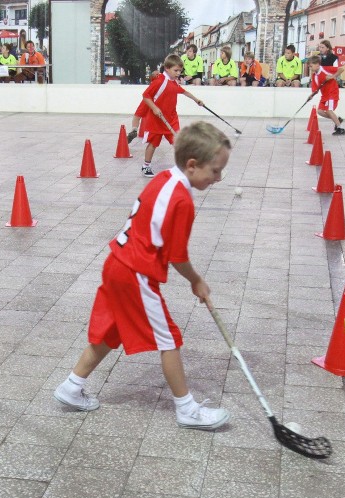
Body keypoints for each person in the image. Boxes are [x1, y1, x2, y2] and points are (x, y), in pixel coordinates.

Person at [53, 121, 232, 431]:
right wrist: (196, 280)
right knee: (169, 338)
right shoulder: (183, 201)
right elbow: (178, 257)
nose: (219, 178)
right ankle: (187, 409)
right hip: (135, 272)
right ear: (192, 165)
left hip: (116, 264)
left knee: (112, 330)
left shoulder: (164, 178)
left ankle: (71, 387)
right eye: (215, 171)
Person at [139, 54, 204, 176]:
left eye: (180, 70)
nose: (178, 73)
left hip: (171, 119)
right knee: (153, 143)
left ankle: (184, 166)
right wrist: (154, 108)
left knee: (177, 142)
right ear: (167, 68)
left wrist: (196, 100)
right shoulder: (159, 81)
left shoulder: (173, 82)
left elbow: (184, 91)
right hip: (156, 119)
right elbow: (146, 96)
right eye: (176, 70)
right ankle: (146, 166)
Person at [307, 55, 345, 136]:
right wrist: (311, 95)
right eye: (309, 67)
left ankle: (340, 128)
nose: (310, 68)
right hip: (324, 95)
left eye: (311, 66)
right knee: (320, 111)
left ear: (317, 64)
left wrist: (333, 76)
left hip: (332, 93)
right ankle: (337, 119)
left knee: (329, 110)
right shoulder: (314, 76)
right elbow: (316, 89)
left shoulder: (326, 69)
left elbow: (341, 69)